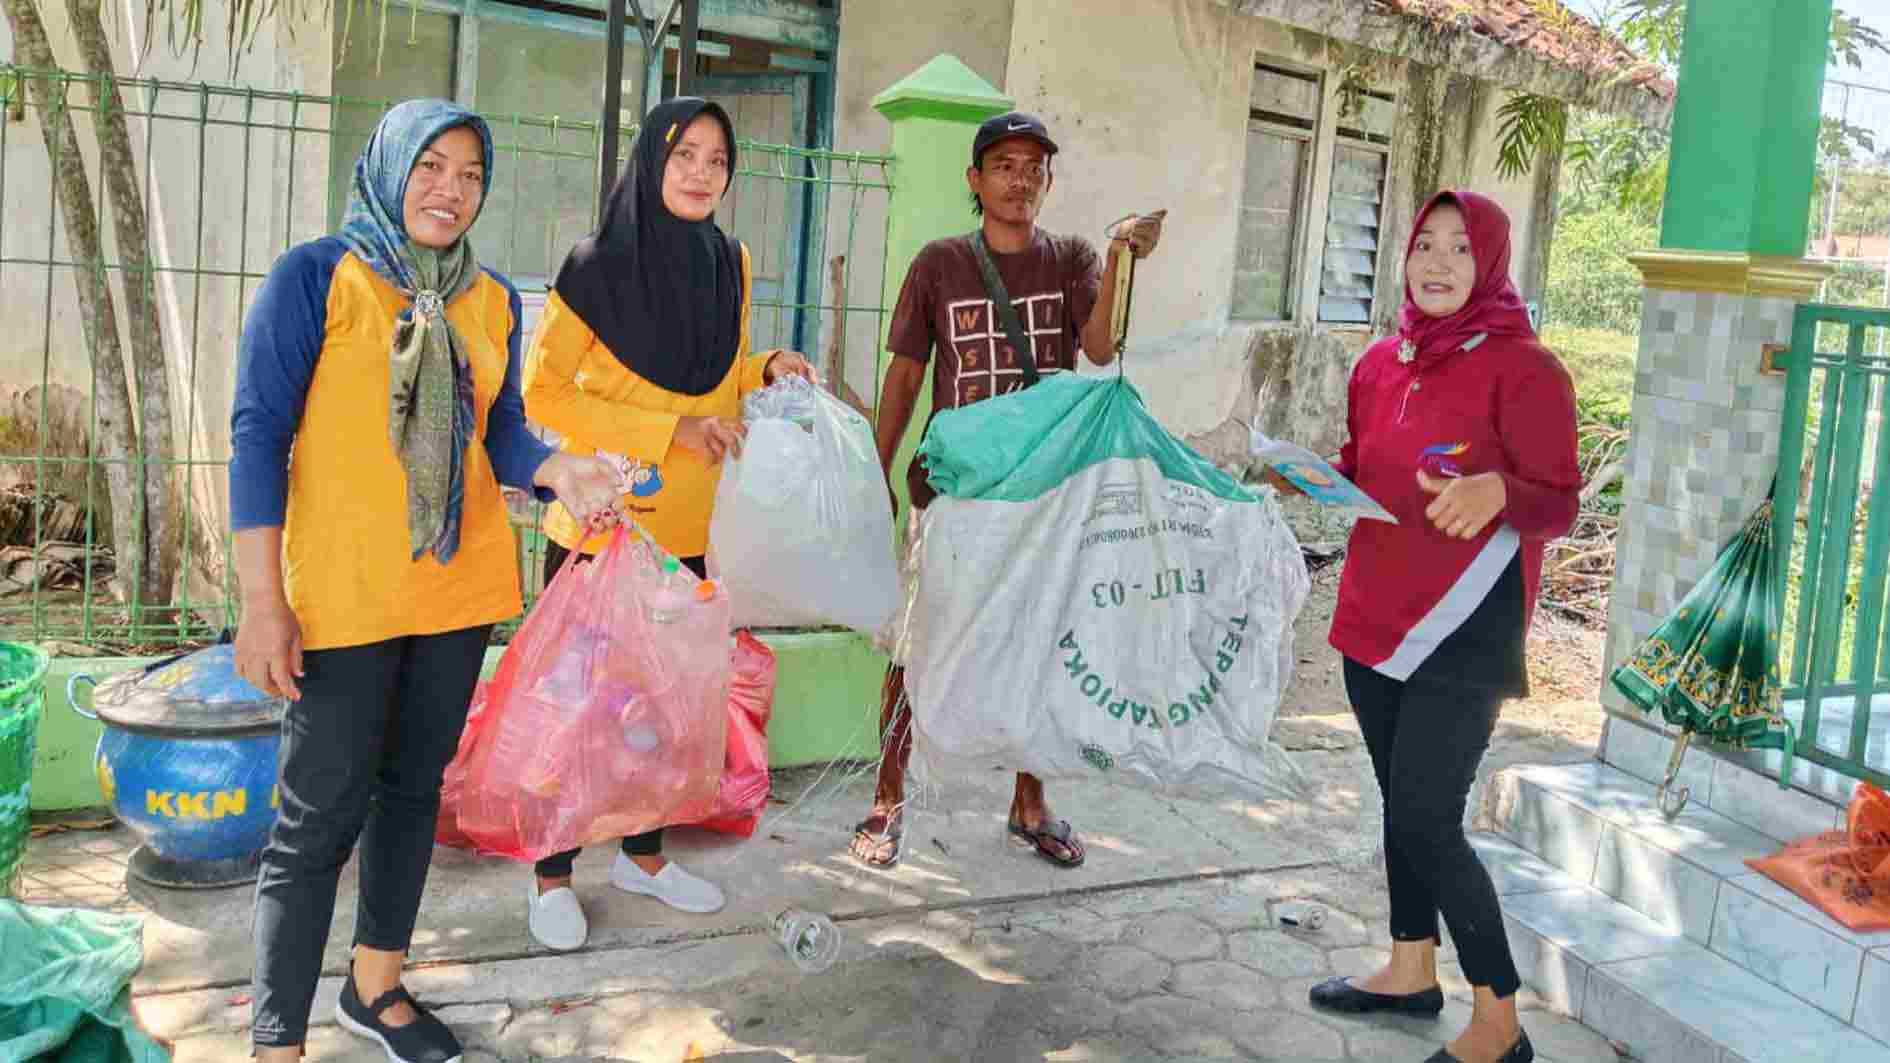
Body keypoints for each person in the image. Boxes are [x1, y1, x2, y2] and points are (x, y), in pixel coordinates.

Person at [230, 99, 623, 1063]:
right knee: (316, 815)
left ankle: (375, 987)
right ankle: (276, 1038)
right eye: (432, 167)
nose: (451, 190)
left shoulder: (490, 300)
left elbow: (500, 435)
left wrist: (558, 468)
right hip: (343, 598)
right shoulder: (317, 277)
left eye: (471, 175)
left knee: (411, 795)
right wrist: (259, 599)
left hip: (456, 598)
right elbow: (257, 435)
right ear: (391, 166)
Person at [1278, 189, 1579, 1063]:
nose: (1438, 262)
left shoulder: (1527, 370)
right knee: (1400, 809)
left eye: (1458, 248)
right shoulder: (1379, 363)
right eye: (1424, 245)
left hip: (1464, 629)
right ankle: (1411, 968)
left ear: (1489, 263)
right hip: (1373, 621)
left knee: (1428, 818)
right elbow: (1361, 465)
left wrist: (1500, 493)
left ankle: (1498, 1021)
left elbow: (1557, 499)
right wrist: (1303, 476)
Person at [520, 96, 815, 951]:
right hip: (600, 529)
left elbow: (715, 382)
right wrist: (667, 432)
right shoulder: (592, 267)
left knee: (660, 706)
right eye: (684, 154)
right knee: (577, 708)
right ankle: (552, 873)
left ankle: (641, 858)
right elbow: (546, 395)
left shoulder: (732, 262)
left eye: (717, 160)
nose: (699, 173)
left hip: (687, 529)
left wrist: (767, 366)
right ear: (653, 159)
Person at [850, 111, 1163, 870]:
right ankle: (888, 798)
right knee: (913, 646)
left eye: (1034, 168)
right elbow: (904, 374)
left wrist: (1123, 256)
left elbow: (1099, 348)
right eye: (1005, 166)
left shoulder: (1072, 259)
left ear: (1048, 182)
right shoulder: (938, 264)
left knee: (1043, 646)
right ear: (975, 179)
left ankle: (1030, 801)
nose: (1021, 181)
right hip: (953, 491)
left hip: (1039, 493)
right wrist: (878, 471)